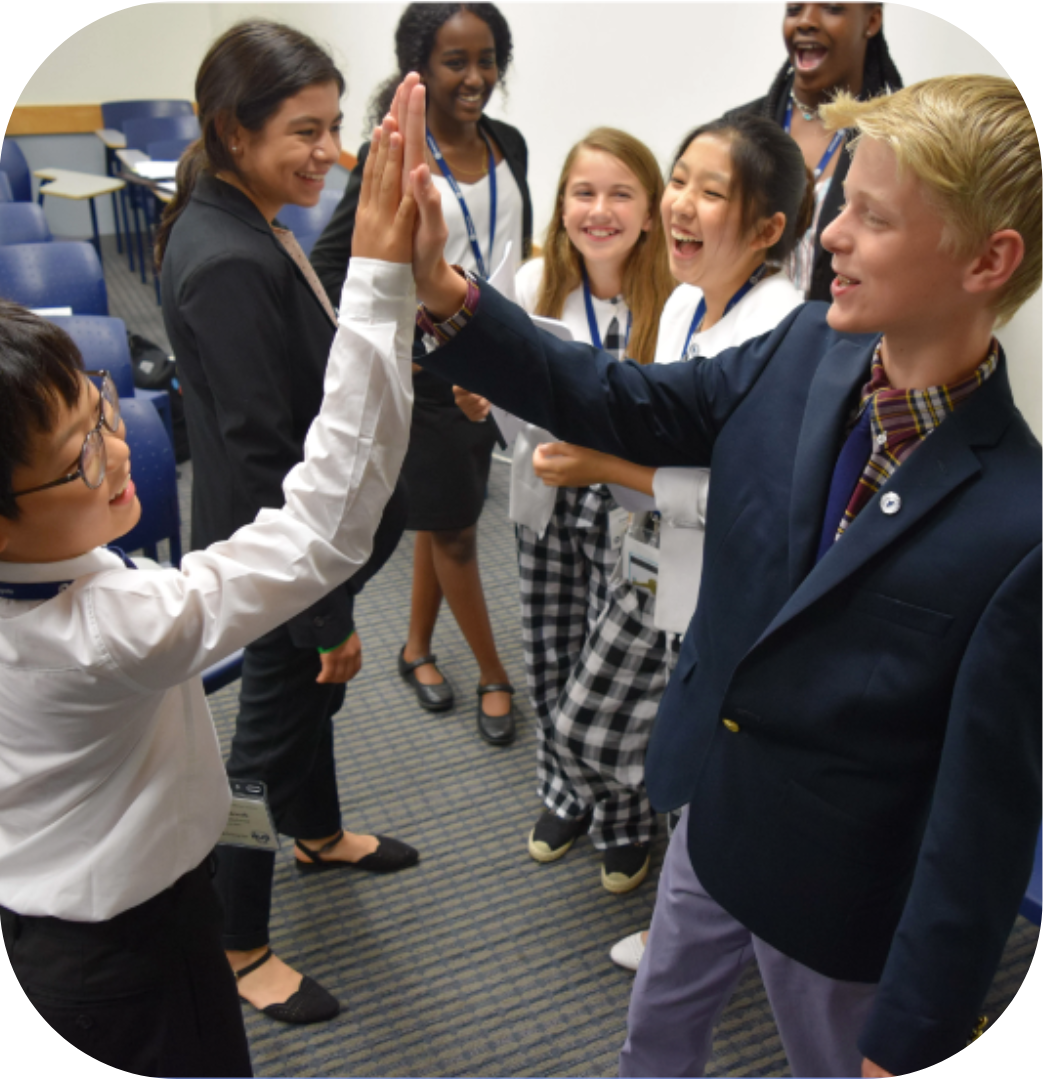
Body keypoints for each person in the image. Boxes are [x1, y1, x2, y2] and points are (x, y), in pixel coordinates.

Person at [405, 75, 1042, 1078]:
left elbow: (980, 825)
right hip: (711, 805)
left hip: (837, 893)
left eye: (870, 219)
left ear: (987, 261)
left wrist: (913, 1033)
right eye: (841, 207)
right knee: (655, 1035)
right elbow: (627, 401)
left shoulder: (1021, 524)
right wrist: (450, 300)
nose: (830, 238)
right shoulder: (803, 352)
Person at [0, 78, 423, 1074]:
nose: (120, 447)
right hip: (124, 949)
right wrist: (386, 279)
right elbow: (324, 521)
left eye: (104, 406)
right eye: (78, 455)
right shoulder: (111, 626)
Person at [156, 21, 418, 1025]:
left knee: (308, 710)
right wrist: (326, 613)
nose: (329, 150)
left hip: (293, 562)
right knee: (264, 741)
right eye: (304, 131)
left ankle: (318, 835)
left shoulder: (245, 215)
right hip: (274, 566)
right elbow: (269, 462)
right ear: (232, 129)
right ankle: (237, 941)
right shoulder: (227, 257)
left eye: (336, 127)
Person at [526, 113, 809, 925]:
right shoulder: (688, 298)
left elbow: (742, 501)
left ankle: (701, 910)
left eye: (708, 191)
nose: (679, 204)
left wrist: (605, 468)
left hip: (717, 587)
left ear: (768, 228)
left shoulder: (780, 331)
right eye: (678, 179)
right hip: (655, 558)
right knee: (614, 733)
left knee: (653, 748)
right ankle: (687, 904)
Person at [456, 129, 675, 890]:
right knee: (549, 652)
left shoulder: (674, 295)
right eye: (583, 192)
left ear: (651, 211)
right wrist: (487, 400)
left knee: (607, 673)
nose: (600, 210)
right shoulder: (535, 279)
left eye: (621, 193)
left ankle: (622, 817)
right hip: (547, 498)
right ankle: (563, 793)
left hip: (633, 514)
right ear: (561, 206)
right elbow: (518, 414)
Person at [312, 1, 531, 746]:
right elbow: (329, 264)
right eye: (455, 62)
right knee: (461, 531)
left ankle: (414, 648)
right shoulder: (399, 155)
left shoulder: (512, 145)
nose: (475, 77)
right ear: (421, 68)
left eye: (487, 58)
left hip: (494, 360)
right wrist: (391, 346)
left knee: (443, 515)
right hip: (430, 372)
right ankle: (496, 674)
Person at [727, 1, 903, 301]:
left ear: (871, 21)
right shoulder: (735, 131)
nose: (805, 21)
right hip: (742, 343)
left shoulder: (898, 140)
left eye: (832, 8)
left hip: (846, 342)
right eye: (794, 9)